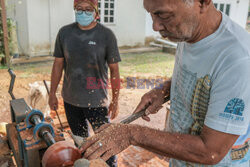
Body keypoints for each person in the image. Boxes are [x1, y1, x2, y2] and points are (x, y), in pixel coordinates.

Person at [80, 0, 250, 166]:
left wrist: (132, 134)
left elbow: (211, 151)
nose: (155, 26)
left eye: (164, 15)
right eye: (151, 13)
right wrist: (163, 90)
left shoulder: (237, 59)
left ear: (203, 3)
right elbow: (200, 75)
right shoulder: (189, 32)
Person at [48, 0, 121, 166]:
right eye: (79, 9)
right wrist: (52, 93)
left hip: (97, 102)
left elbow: (114, 71)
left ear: (96, 12)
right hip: (71, 100)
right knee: (80, 143)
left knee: (105, 145)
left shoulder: (106, 35)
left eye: (88, 9)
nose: (83, 13)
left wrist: (115, 100)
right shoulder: (65, 33)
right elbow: (58, 64)